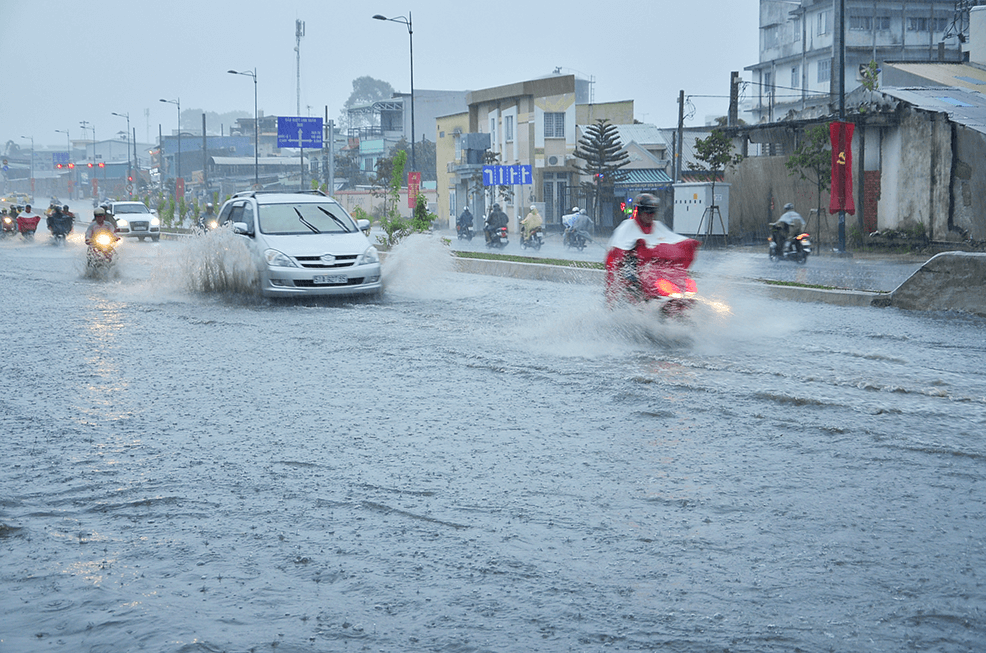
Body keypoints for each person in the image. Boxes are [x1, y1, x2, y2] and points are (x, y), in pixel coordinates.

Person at [605, 193, 700, 303]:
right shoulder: (627, 226)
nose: (651, 215)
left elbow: (671, 240)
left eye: (653, 211)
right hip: (632, 270)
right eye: (647, 211)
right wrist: (634, 250)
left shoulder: (658, 226)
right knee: (634, 285)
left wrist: (689, 244)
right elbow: (618, 249)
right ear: (640, 211)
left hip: (653, 270)